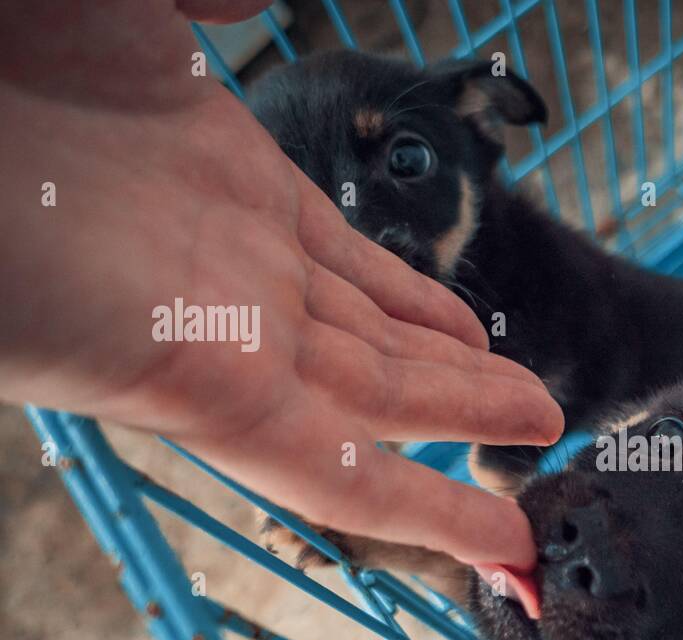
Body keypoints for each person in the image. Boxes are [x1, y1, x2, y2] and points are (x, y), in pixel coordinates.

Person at [0, 0, 563, 577]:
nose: (358, 237)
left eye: (405, 159)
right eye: (295, 196)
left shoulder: (539, 280)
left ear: (479, 129)